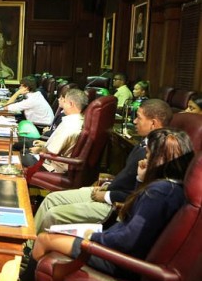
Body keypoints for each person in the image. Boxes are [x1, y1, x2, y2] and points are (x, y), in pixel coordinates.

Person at [20, 127, 193, 281]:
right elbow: (134, 213)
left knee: (44, 239)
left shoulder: (159, 192)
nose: (144, 159)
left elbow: (127, 240)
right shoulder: (174, 189)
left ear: (159, 159)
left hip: (118, 259)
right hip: (122, 252)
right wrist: (140, 179)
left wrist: (93, 237)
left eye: (148, 155)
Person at [29, 99, 173, 239]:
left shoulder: (157, 155)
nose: (134, 121)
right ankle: (28, 243)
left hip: (114, 205)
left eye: (139, 117)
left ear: (153, 123)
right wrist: (107, 185)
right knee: (51, 199)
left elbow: (138, 195)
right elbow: (126, 178)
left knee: (53, 214)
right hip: (108, 190)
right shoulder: (144, 142)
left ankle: (36, 249)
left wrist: (106, 196)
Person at [26, 88, 87, 173]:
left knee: (22, 156)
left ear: (71, 104)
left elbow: (51, 151)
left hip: (54, 166)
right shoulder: (80, 120)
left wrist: (39, 150)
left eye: (64, 101)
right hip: (62, 163)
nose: (62, 103)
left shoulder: (69, 125)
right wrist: (44, 144)